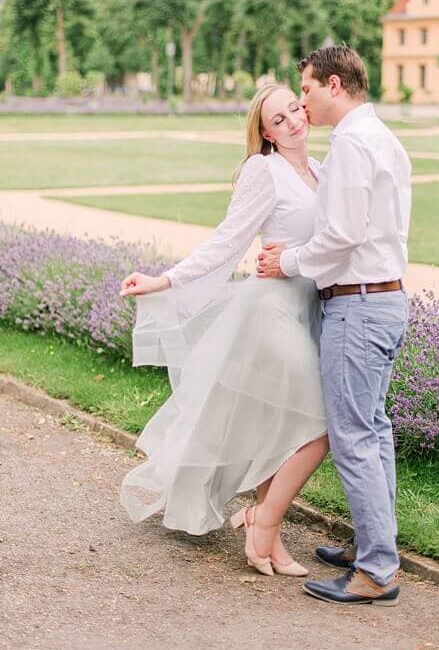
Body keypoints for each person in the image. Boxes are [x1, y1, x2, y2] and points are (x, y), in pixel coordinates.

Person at [119, 84, 330, 576]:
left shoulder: (320, 171)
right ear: (266, 133)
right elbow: (226, 242)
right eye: (279, 120)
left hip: (307, 308)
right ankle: (261, 521)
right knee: (318, 423)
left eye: (295, 110)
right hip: (270, 310)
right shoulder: (265, 171)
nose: (293, 121)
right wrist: (164, 280)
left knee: (282, 422)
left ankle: (270, 538)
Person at [257, 45, 412, 607]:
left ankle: (376, 570)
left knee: (353, 436)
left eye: (307, 90)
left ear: (336, 85)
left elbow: (343, 234)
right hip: (387, 299)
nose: (302, 101)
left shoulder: (349, 144)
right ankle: (374, 546)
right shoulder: (384, 138)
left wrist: (287, 261)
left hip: (358, 305)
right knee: (374, 429)